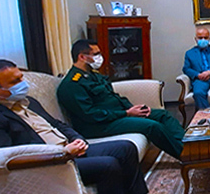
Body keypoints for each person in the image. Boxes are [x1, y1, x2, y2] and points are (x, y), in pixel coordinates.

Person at [0, 60, 161, 194]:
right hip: (49, 164)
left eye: (21, 77)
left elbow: (58, 124)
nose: (23, 84)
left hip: (69, 150)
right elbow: (7, 159)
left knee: (125, 148)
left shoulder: (27, 102)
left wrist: (78, 140)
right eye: (15, 81)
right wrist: (62, 153)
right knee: (107, 165)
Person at [57, 39, 185, 159]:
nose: (100, 57)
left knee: (163, 115)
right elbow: (91, 115)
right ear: (82, 57)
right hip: (99, 125)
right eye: (95, 54)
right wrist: (126, 113)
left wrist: (132, 109)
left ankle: (189, 146)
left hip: (117, 115)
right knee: (152, 126)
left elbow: (113, 96)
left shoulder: (93, 75)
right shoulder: (72, 84)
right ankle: (184, 155)